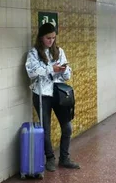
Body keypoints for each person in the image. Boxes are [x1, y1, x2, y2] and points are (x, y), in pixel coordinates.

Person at [25, 23, 80, 171]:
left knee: (67, 127)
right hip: (42, 93)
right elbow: (31, 72)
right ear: (41, 37)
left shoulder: (59, 51)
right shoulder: (34, 53)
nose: (51, 41)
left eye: (53, 38)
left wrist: (64, 70)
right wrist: (51, 69)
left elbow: (67, 75)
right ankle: (50, 158)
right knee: (46, 128)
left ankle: (64, 158)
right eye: (48, 38)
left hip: (59, 92)